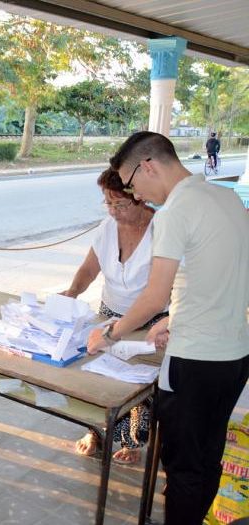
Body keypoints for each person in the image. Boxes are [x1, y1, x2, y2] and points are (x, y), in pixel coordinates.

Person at [87, 131, 249, 525]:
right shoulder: (226, 197)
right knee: (206, 458)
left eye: (130, 184)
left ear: (148, 166)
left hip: (194, 362)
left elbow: (154, 295)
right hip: (234, 357)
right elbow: (217, 276)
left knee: (182, 471)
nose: (136, 194)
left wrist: (109, 333)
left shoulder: (176, 210)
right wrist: (173, 320)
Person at [61, 168, 167, 465]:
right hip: (109, 312)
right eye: (107, 203)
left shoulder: (162, 230)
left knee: (137, 384)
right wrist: (72, 292)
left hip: (148, 319)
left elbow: (163, 288)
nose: (113, 210)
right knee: (99, 375)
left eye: (119, 204)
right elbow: (88, 269)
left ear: (140, 198)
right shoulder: (107, 227)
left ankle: (133, 441)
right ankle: (96, 431)